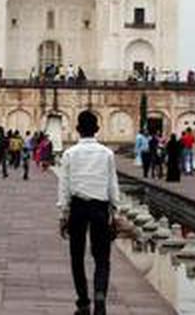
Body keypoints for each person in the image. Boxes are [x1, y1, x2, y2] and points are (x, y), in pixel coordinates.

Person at [57, 111, 119, 315]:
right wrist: (115, 213)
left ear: (77, 129)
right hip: (100, 207)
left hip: (78, 207)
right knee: (102, 257)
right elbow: (112, 185)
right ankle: (100, 293)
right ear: (97, 130)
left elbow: (64, 186)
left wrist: (63, 214)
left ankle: (83, 301)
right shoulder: (107, 153)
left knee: (77, 256)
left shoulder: (69, 154)